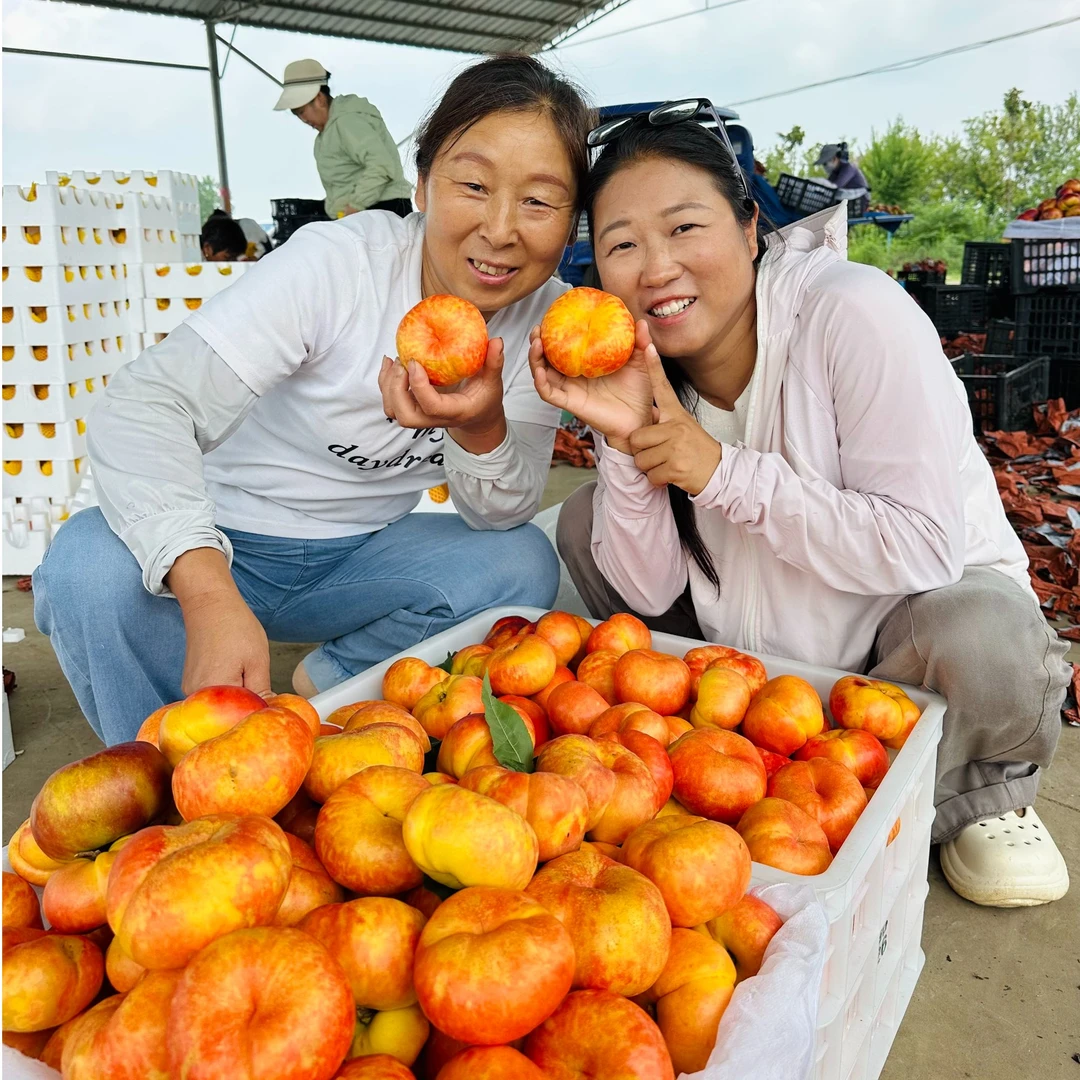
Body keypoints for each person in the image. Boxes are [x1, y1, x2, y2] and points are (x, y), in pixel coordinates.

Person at [533, 110, 1070, 909]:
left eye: (685, 227)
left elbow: (921, 548)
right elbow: (646, 599)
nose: (657, 267)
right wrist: (627, 445)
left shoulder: (853, 313)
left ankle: (978, 792)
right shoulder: (650, 371)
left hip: (896, 647)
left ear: (751, 226)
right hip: (754, 681)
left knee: (986, 639)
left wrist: (719, 473)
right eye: (622, 245)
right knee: (584, 523)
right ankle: (780, 776)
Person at [34, 55, 593, 745]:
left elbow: (499, 513)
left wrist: (480, 425)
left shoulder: (549, 323)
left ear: (571, 223)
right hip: (225, 537)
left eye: (539, 200)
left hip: (360, 557)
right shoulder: (338, 266)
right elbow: (144, 403)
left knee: (520, 565)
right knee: (87, 568)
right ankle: (167, 782)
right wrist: (206, 589)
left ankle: (330, 688)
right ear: (422, 183)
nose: (502, 229)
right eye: (474, 184)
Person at [275, 58, 413, 219]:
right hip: (365, 212)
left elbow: (381, 165)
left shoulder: (347, 121)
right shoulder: (327, 133)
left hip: (379, 212)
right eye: (295, 113)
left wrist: (355, 205)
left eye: (301, 111)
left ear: (319, 99)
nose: (302, 119)